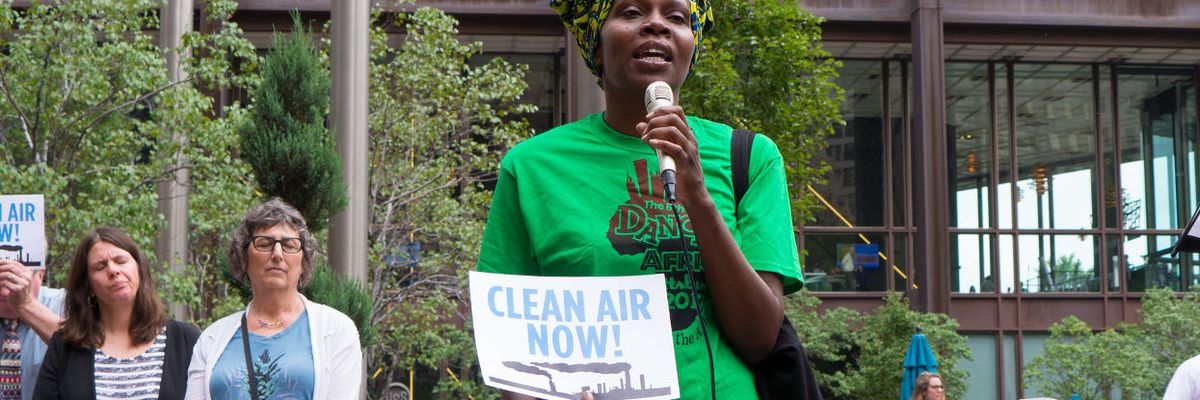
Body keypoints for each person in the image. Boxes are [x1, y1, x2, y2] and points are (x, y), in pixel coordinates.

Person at [476, 0, 803, 398]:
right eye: (631, 12)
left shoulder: (750, 157)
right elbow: (508, 342)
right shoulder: (530, 167)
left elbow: (759, 337)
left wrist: (698, 197)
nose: (656, 25)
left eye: (677, 17)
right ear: (596, 45)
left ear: (691, 46)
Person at [185, 198, 363, 399]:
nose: (277, 254)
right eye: (264, 244)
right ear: (244, 259)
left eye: (289, 245)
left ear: (303, 261)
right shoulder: (211, 339)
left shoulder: (336, 330)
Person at [33, 227, 199, 399]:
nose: (113, 270)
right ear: (88, 286)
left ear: (139, 269)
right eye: (100, 267)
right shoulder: (65, 347)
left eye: (121, 260)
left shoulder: (186, 340)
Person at [0, 256, 65, 400]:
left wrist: (26, 305)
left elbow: (87, 350)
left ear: (40, 275)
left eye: (16, 280)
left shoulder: (63, 305)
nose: (6, 292)